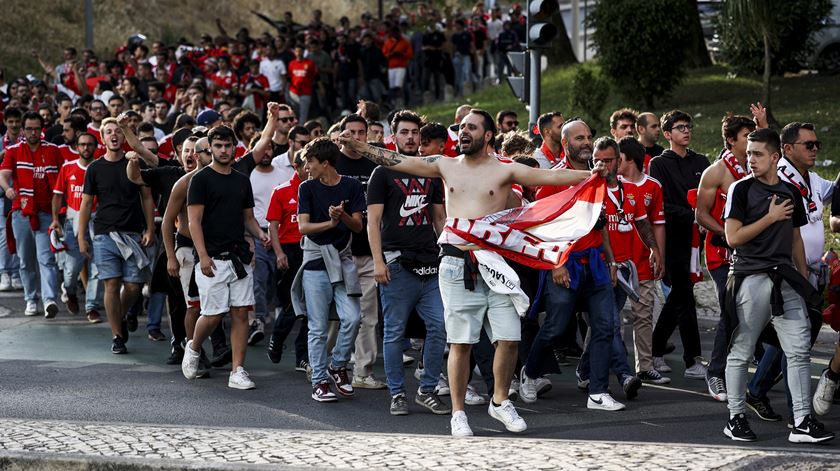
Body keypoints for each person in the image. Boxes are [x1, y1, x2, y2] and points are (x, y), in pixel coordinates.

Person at [339, 108, 602, 436]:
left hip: (494, 264)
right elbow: (397, 161)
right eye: (461, 127)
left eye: (472, 128)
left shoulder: (505, 171)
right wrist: (361, 147)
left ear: (488, 135)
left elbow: (549, 177)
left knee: (509, 338)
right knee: (461, 342)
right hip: (455, 263)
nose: (463, 132)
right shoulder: (445, 165)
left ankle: (500, 401)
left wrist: (591, 176)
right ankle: (459, 413)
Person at [721, 128, 834, 444]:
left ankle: (801, 422)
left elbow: (796, 237)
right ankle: (736, 418)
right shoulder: (741, 191)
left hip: (785, 281)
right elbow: (733, 238)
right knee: (741, 351)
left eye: (757, 154)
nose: (751, 160)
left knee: (798, 350)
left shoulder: (790, 192)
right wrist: (769, 218)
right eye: (748, 154)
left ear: (774, 157)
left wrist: (802, 278)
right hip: (750, 278)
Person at [521, 120, 624, 412]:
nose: (587, 142)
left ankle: (598, 392)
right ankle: (529, 372)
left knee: (605, 326)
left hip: (595, 262)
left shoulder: (596, 176)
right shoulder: (553, 179)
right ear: (565, 143)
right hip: (564, 263)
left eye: (589, 136)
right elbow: (541, 227)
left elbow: (599, 224)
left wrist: (611, 260)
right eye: (580, 137)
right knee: (555, 327)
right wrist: (556, 264)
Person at [367, 110, 449, 416]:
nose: (411, 137)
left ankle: (426, 390)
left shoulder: (431, 170)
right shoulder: (382, 172)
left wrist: (449, 251)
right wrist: (378, 261)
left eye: (415, 132)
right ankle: (397, 393)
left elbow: (440, 218)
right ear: (394, 136)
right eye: (405, 132)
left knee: (439, 327)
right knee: (395, 332)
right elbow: (373, 222)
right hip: (396, 263)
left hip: (431, 261)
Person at [751, 121, 834, 421]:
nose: (814, 149)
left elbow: (833, 192)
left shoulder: (810, 178)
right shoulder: (778, 179)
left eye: (816, 145)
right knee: (795, 341)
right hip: (785, 272)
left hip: (809, 273)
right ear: (787, 149)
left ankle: (756, 389)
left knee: (791, 340)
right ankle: (799, 414)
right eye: (808, 145)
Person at [181, 125, 269, 390]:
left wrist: (260, 234)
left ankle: (237, 370)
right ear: (210, 148)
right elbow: (193, 222)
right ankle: (194, 347)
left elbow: (248, 219)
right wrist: (204, 256)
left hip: (239, 257)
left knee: (241, 312)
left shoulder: (242, 180)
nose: (223, 150)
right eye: (217, 146)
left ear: (234, 147)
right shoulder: (201, 179)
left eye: (227, 145)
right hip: (211, 259)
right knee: (213, 314)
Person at [291, 138, 365, 402]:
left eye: (310, 161)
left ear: (325, 163)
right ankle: (320, 381)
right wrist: (330, 224)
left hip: (343, 263)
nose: (306, 166)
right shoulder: (306, 188)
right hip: (314, 264)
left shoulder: (352, 186)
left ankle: (337, 365)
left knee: (353, 317)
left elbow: (357, 227)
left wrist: (342, 217)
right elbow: (303, 228)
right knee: (318, 328)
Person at [77, 116, 157, 354]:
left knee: (133, 285)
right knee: (111, 283)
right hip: (104, 234)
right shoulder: (94, 168)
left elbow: (146, 198)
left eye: (117, 131)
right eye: (108, 132)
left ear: (124, 136)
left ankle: (119, 316)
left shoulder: (134, 163)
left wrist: (150, 228)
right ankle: (117, 335)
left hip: (133, 234)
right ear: (102, 138)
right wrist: (82, 237)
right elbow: (86, 204)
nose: (113, 135)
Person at [695, 113, 757, 402]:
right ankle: (715, 372)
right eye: (747, 136)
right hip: (722, 254)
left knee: (759, 310)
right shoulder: (716, 172)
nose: (752, 140)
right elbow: (701, 214)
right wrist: (729, 234)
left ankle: (751, 364)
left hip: (755, 251)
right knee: (730, 312)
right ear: (731, 140)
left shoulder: (759, 166)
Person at [648, 110, 709, 379]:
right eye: (680, 127)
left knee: (680, 296)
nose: (686, 131)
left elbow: (709, 196)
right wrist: (694, 215)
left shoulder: (702, 161)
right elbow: (661, 205)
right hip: (671, 237)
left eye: (688, 126)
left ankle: (655, 349)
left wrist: (704, 219)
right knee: (684, 295)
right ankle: (692, 359)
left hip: (698, 237)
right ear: (667, 134)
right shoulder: (659, 164)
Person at [335, 114, 385, 390]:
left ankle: (362, 372)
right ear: (341, 134)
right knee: (333, 315)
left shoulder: (375, 163)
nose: (355, 137)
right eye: (350, 131)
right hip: (336, 250)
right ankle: (324, 366)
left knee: (367, 315)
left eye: (361, 132)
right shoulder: (331, 161)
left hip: (367, 249)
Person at [0, 111, 64, 317]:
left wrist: (59, 213)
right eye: (29, 129)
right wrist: (7, 188)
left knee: (46, 259)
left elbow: (62, 180)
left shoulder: (53, 151)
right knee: (26, 260)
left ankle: (49, 300)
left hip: (47, 213)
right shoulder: (13, 151)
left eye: (37, 128)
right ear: (23, 130)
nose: (33, 132)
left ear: (42, 129)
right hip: (22, 213)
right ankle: (31, 299)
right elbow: (3, 174)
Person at [616, 136, 668, 384]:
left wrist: (660, 256)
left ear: (630, 160)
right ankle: (606, 366)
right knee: (609, 318)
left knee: (643, 315)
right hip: (616, 262)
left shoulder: (654, 186)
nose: (614, 162)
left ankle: (645, 366)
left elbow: (658, 226)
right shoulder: (612, 185)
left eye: (619, 158)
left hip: (643, 263)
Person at [50, 131, 104, 321]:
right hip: (73, 219)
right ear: (77, 146)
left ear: (96, 147)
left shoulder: (101, 168)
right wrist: (55, 219)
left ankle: (92, 307)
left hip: (98, 220)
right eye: (82, 144)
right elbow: (57, 195)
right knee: (72, 267)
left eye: (90, 144)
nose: (86, 148)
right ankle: (71, 292)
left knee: (98, 266)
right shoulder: (68, 167)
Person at [265, 142, 310, 372]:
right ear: (297, 166)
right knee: (292, 305)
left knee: (312, 307)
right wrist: (279, 252)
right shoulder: (281, 191)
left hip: (311, 249)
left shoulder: (316, 189)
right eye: (307, 166)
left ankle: (303, 356)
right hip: (289, 251)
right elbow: (272, 226)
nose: (310, 170)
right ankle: (277, 339)